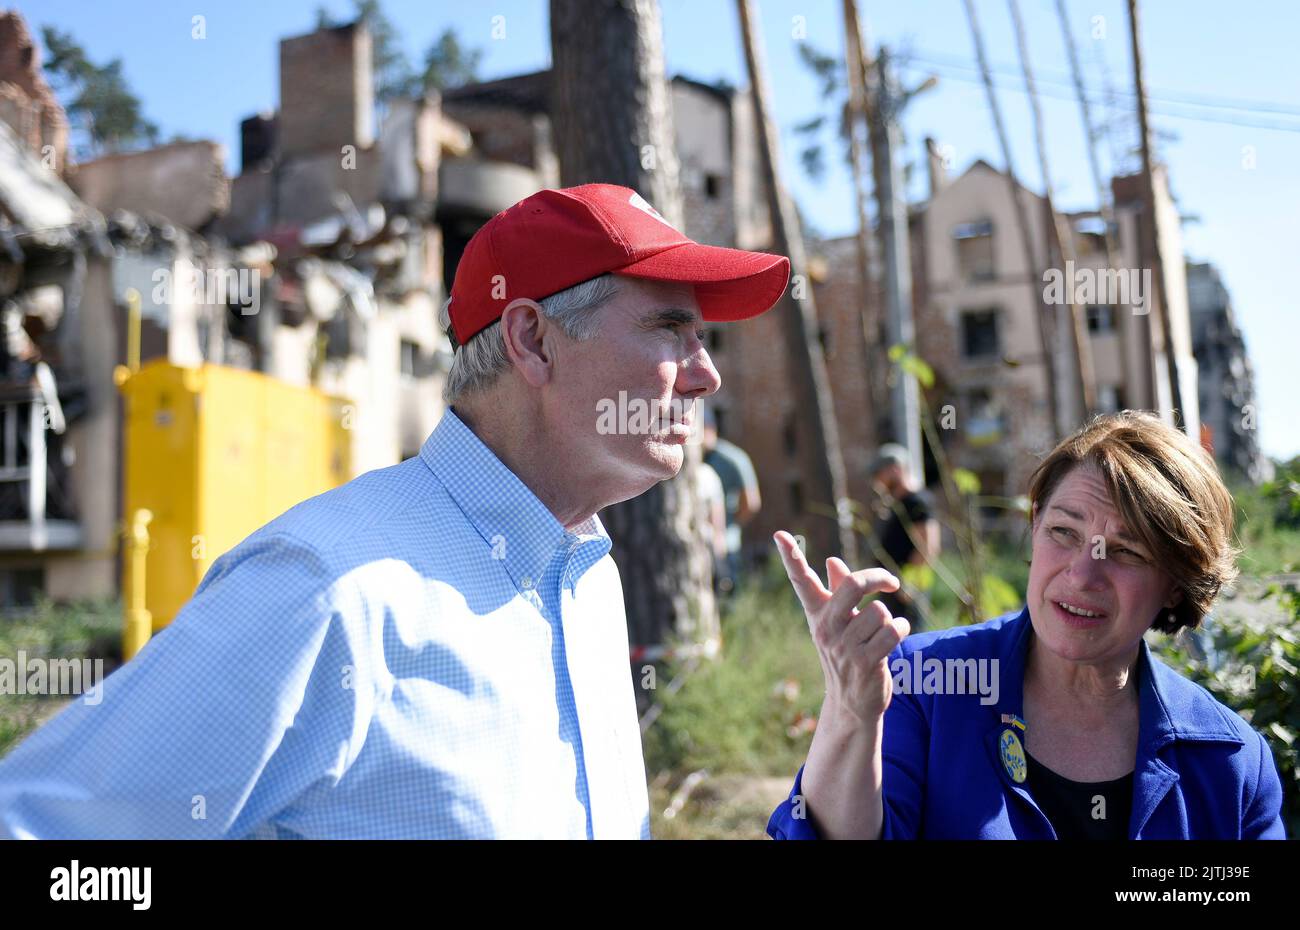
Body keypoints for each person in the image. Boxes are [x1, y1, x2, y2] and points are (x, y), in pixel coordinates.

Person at [0, 183, 790, 839]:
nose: (706, 376)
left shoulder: (587, 575)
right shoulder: (330, 591)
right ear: (533, 341)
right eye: (671, 330)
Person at [767, 411, 1285, 839]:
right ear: (1034, 524)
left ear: (1177, 582)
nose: (1082, 576)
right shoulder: (922, 682)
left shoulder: (1231, 761)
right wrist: (849, 712)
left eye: (1126, 551)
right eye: (1063, 531)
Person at [868, 443, 938, 630]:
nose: (877, 481)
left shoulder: (917, 501)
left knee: (910, 648)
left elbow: (927, 548)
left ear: (895, 469)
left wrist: (910, 584)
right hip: (893, 593)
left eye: (879, 474)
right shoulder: (895, 505)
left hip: (906, 593)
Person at [700, 405, 761, 593]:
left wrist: (728, 526)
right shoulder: (697, 460)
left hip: (726, 541)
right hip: (702, 540)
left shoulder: (732, 459)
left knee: (728, 590)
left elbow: (750, 503)